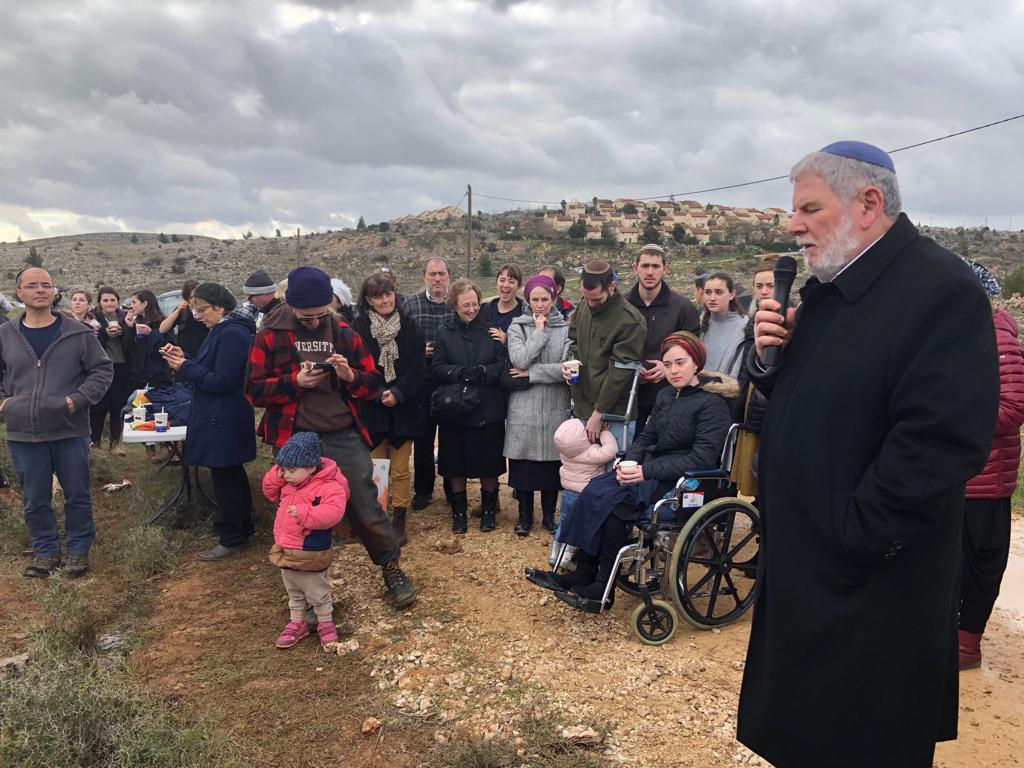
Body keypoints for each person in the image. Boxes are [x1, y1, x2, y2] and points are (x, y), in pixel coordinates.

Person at [737, 141, 1000, 768]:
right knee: (806, 739)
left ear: (868, 203)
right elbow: (822, 401)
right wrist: (768, 361)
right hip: (812, 573)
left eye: (807, 208)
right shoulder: (830, 291)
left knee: (861, 741)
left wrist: (853, 536)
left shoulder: (941, 290)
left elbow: (940, 442)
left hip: (872, 591)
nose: (791, 224)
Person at [246, 266, 416, 609]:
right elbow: (252, 390)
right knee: (296, 511)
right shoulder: (271, 334)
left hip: (342, 431)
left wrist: (350, 375)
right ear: (291, 305)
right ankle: (304, 593)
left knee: (365, 503)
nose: (313, 320)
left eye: (320, 313)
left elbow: (371, 384)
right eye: (306, 315)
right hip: (295, 435)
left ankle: (391, 567)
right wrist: (295, 383)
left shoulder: (343, 331)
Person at [544, 332, 732, 608]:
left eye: (680, 363)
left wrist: (645, 471)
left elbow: (701, 458)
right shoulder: (667, 395)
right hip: (647, 468)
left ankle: (601, 588)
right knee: (595, 490)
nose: (673, 370)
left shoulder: (713, 404)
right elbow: (646, 437)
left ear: (696, 363)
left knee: (617, 507)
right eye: (668, 365)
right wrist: (627, 462)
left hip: (681, 479)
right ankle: (583, 572)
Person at [0, 267, 113, 578]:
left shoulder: (76, 333)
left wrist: (75, 400)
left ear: (54, 292)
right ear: (19, 293)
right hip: (23, 432)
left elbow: (102, 371)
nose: (40, 290)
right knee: (36, 497)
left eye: (46, 285)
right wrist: (5, 404)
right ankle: (46, 552)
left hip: (69, 429)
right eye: (32, 285)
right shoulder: (5, 334)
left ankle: (78, 550)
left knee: (77, 493)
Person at [958, 259, 1024, 669]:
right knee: (948, 564)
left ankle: (966, 645)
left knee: (979, 563)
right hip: (953, 475)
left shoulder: (997, 337)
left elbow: (1012, 408)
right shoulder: (958, 335)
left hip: (984, 477)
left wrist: (948, 418)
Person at [160, 283, 258, 561]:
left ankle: (231, 536)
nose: (197, 315)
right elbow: (212, 369)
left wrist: (185, 368)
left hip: (223, 416)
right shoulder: (223, 331)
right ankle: (242, 528)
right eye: (194, 309)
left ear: (220, 307)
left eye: (202, 309)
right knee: (230, 473)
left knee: (225, 475)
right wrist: (185, 359)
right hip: (221, 415)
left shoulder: (232, 335)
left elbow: (223, 381)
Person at [351, 271, 426, 547]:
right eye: (377, 296)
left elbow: (418, 367)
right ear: (368, 300)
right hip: (372, 408)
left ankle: (399, 520)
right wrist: (379, 392)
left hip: (403, 407)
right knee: (375, 468)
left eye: (388, 294)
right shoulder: (357, 328)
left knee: (400, 469)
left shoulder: (410, 326)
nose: (384, 300)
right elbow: (356, 368)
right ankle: (377, 521)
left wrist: (398, 392)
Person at [432, 278, 508, 533]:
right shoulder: (444, 332)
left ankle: (488, 513)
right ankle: (459, 513)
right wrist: (462, 373)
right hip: (456, 408)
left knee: (489, 463)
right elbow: (437, 367)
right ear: (455, 305)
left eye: (475, 304)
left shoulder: (491, 330)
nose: (471, 309)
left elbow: (502, 365)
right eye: (466, 305)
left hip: (487, 406)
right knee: (456, 463)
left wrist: (485, 372)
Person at [262, 431, 348, 650]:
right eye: (282, 469)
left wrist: (305, 514)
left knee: (317, 590)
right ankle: (297, 621)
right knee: (293, 589)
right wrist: (277, 474)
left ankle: (326, 623)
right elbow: (269, 491)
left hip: (311, 548)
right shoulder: (288, 483)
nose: (286, 475)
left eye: (291, 470)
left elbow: (333, 513)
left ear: (310, 467)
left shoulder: (328, 486)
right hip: (286, 546)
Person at [503, 273, 570, 536]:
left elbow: (566, 368)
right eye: (535, 299)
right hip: (524, 408)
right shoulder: (516, 327)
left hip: (555, 406)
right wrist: (540, 333)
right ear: (528, 300)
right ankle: (524, 516)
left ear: (554, 298)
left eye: (545, 299)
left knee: (552, 465)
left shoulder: (565, 329)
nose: (540, 304)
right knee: (525, 465)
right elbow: (519, 360)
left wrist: (532, 374)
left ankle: (549, 516)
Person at [562, 258, 646, 447]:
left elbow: (620, 374)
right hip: (582, 407)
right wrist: (570, 362)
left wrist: (599, 413)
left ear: (612, 286)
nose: (591, 304)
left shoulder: (630, 320)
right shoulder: (584, 306)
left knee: (612, 474)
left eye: (597, 299)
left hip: (613, 415)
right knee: (582, 473)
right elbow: (574, 342)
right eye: (586, 297)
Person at [626, 244, 700, 434]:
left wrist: (666, 367)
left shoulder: (683, 307)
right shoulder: (621, 306)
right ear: (635, 268)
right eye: (645, 266)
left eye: (656, 266)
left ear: (665, 269)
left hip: (672, 398)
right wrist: (633, 368)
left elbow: (693, 353)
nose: (650, 272)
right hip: (628, 399)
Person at [405, 257, 454, 511]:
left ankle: (451, 490)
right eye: (433, 274)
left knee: (450, 439)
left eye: (442, 274)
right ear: (424, 275)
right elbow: (399, 342)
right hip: (421, 382)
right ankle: (423, 490)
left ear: (448, 276)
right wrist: (417, 351)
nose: (437, 278)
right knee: (423, 439)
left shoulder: (455, 304)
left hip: (449, 382)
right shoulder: (410, 305)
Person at [91, 287, 132, 455]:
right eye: (105, 300)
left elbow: (133, 342)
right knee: (98, 407)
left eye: (112, 300)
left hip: (121, 366)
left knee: (118, 406)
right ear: (100, 302)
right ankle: (96, 443)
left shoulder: (126, 317)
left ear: (118, 301)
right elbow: (91, 342)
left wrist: (125, 332)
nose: (109, 303)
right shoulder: (94, 317)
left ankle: (115, 444)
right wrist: (104, 333)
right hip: (101, 367)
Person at [699, 272, 747, 378]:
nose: (712, 298)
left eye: (718, 292)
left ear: (731, 294)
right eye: (708, 292)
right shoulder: (700, 325)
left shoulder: (744, 327)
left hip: (727, 389)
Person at [159, 279, 209, 358]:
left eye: (197, 297)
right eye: (191, 297)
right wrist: (178, 310)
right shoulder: (183, 311)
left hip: (203, 353)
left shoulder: (207, 310)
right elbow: (162, 329)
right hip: (185, 354)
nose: (194, 300)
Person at [478, 264, 524, 344]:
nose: (506, 285)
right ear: (497, 283)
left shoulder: (524, 313)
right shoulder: (483, 310)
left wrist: (506, 341)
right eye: (502, 280)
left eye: (511, 282)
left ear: (519, 286)